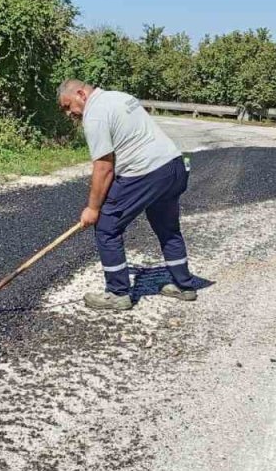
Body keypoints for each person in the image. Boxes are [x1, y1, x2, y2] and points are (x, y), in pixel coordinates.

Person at [56, 79, 197, 311]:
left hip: (146, 172)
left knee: (106, 225)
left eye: (67, 105)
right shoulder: (119, 97)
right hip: (174, 166)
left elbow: (104, 167)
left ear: (81, 93)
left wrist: (93, 208)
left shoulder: (95, 114)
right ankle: (184, 285)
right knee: (167, 227)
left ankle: (117, 293)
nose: (69, 113)